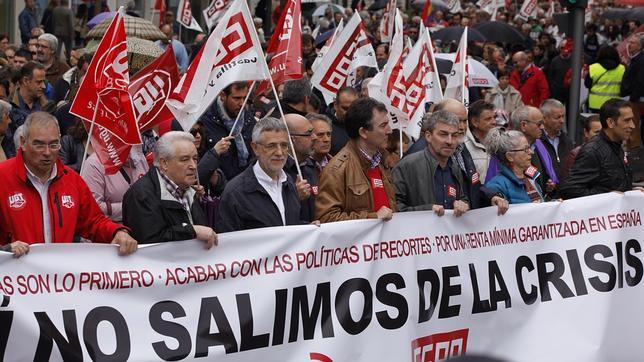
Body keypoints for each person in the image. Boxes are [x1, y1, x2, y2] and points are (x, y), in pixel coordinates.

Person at [0, 112, 137, 257]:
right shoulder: (3, 177)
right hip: (15, 275)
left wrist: (117, 232)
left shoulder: (72, 180)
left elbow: (94, 221)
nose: (47, 152)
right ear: (23, 142)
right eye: (39, 145)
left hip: (60, 274)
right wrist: (5, 249)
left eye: (53, 145)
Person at [122, 131, 218, 247]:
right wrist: (191, 231)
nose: (193, 166)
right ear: (164, 163)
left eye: (195, 158)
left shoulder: (188, 189)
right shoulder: (140, 195)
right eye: (184, 159)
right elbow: (149, 243)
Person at [216, 117, 304, 232]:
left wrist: (308, 229)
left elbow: (288, 225)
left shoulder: (289, 183)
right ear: (255, 148)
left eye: (284, 145)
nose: (279, 152)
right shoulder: (235, 193)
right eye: (271, 146)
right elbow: (228, 242)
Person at [315, 97, 396, 223]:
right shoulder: (337, 170)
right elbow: (326, 218)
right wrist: (373, 218)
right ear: (363, 132)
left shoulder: (383, 162)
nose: (390, 131)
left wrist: (427, 211)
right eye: (383, 125)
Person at [393, 111, 470, 216]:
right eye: (443, 134)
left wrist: (463, 204)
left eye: (454, 136)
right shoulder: (407, 166)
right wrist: (428, 210)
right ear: (428, 136)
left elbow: (462, 197)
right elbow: (394, 207)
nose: (449, 141)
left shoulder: (455, 168)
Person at [560, 99, 638, 199]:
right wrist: (606, 196)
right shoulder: (592, 151)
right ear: (610, 122)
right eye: (627, 120)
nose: (632, 125)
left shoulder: (617, 146)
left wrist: (631, 192)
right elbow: (569, 190)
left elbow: (615, 186)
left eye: (632, 120)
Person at [191, 81, 255, 180]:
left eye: (245, 98)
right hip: (216, 189)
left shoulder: (249, 119)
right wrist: (215, 152)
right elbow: (197, 161)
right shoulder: (204, 120)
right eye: (237, 98)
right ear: (222, 96)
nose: (242, 103)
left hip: (244, 185)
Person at [81, 146, 149, 223]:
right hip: (116, 228)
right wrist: (132, 207)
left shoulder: (139, 157)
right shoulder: (94, 164)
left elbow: (151, 191)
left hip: (147, 222)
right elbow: (94, 208)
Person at [484, 127, 545, 204]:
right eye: (525, 149)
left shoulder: (531, 179)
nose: (531, 152)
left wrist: (554, 205)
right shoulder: (497, 185)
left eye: (529, 147)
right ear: (510, 156)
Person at [283, 113, 317, 222]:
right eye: (308, 134)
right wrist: (295, 197)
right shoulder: (279, 171)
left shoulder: (311, 166)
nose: (315, 137)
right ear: (291, 140)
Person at [560, 115, 602, 182]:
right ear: (586, 132)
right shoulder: (576, 155)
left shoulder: (610, 152)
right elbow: (568, 184)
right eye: (597, 132)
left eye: (603, 133)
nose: (600, 136)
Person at [539, 99, 573, 178]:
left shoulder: (568, 142)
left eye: (563, 116)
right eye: (557, 117)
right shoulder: (536, 142)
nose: (562, 121)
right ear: (544, 119)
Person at [586, 46, 625, 113]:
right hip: (614, 104)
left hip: (595, 103)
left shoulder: (593, 67)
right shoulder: (622, 69)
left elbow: (587, 84)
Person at [464, 100, 496, 182]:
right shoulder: (463, 146)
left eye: (494, 117)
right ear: (474, 122)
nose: (494, 122)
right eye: (488, 119)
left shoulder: (499, 143)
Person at [621, 33, 644, 123]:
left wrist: (633, 99)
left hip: (636, 101)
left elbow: (640, 81)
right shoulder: (635, 59)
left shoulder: (641, 60)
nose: (629, 45)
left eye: (632, 43)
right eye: (629, 42)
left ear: (639, 46)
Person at [329, 87, 358, 155]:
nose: (350, 113)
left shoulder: (364, 123)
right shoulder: (325, 126)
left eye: (354, 108)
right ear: (335, 105)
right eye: (345, 108)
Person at [307, 113, 333, 177]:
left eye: (328, 134)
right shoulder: (298, 166)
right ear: (308, 136)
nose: (327, 139)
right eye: (320, 135)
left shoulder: (338, 164)